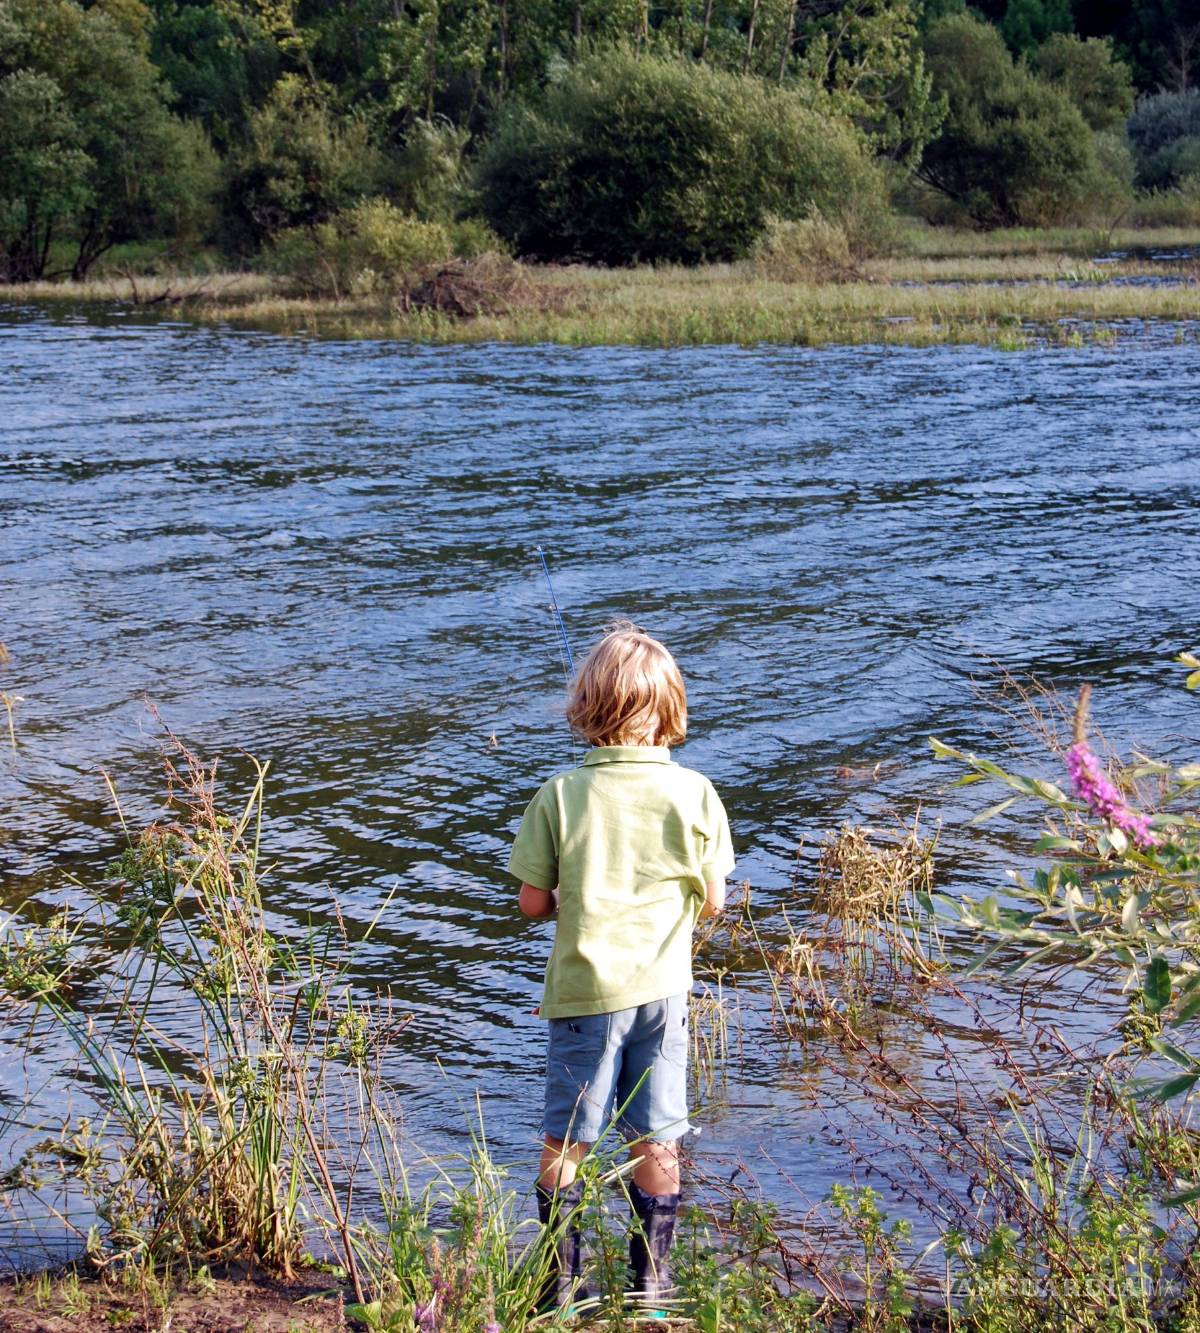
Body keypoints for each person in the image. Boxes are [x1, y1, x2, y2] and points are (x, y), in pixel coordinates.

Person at [508, 621, 735, 1313]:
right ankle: (653, 1295)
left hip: (586, 995)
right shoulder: (697, 793)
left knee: (567, 1136)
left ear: (586, 708)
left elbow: (531, 902)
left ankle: (560, 1292)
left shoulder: (559, 794)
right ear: (671, 709)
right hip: (665, 993)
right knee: (658, 1134)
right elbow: (715, 902)